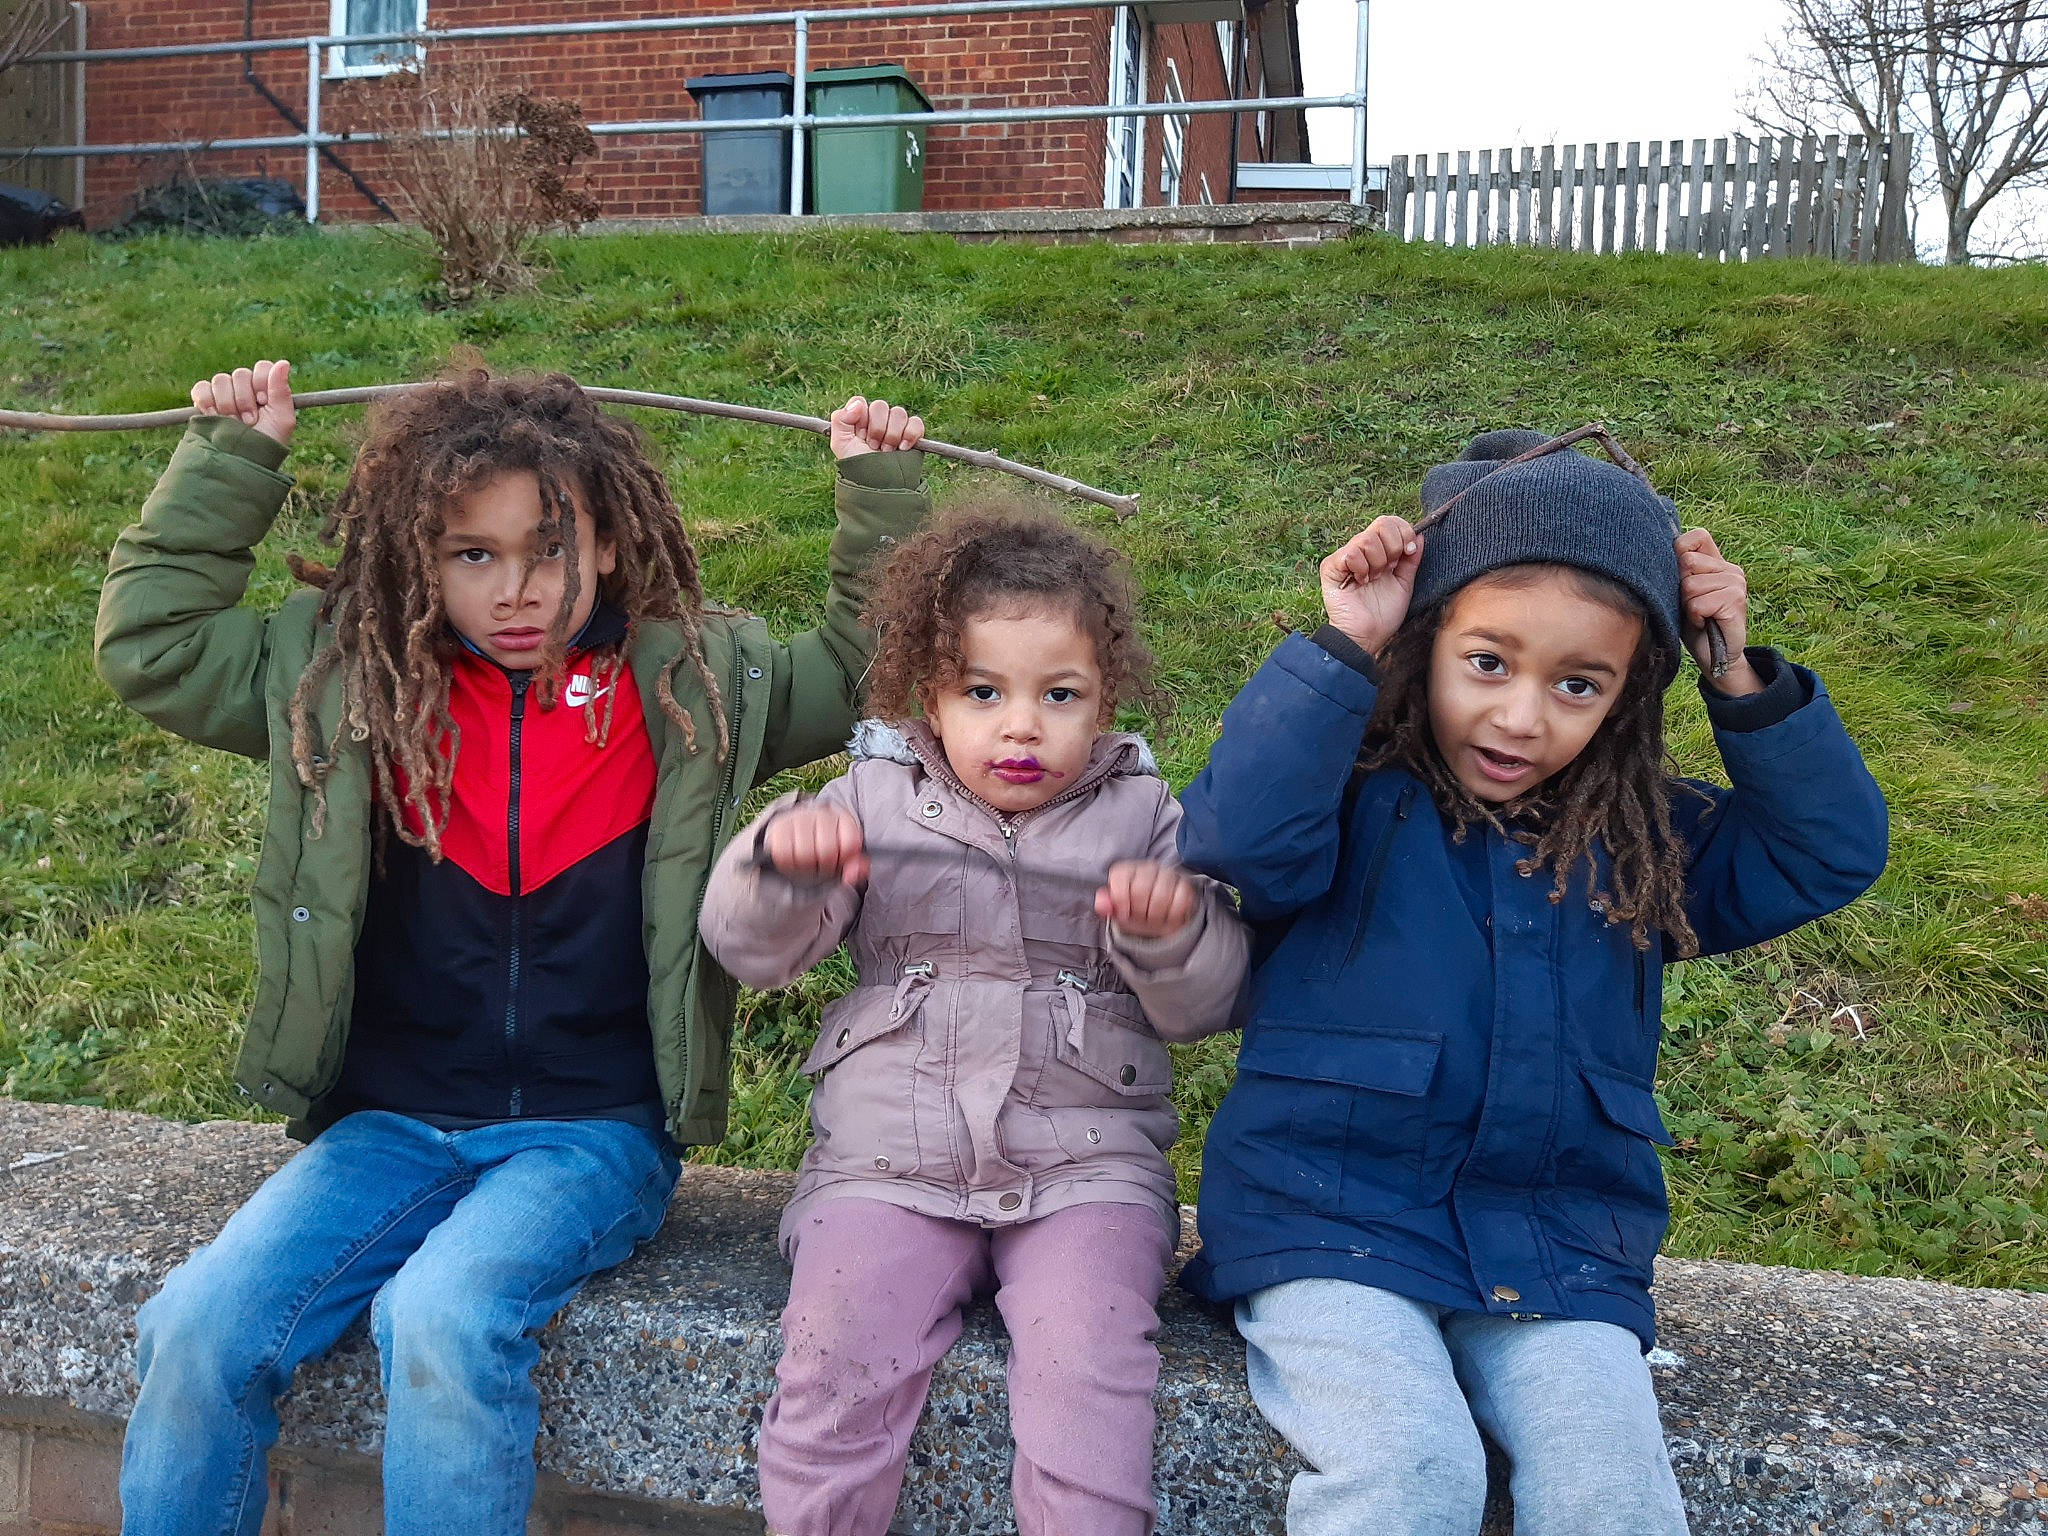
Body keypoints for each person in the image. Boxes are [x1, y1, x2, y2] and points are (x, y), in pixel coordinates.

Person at [94, 357, 931, 1536]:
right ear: (420, 557)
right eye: (471, 555)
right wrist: (233, 459)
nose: (516, 591)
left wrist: (878, 489)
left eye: (548, 549)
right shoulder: (348, 678)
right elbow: (156, 644)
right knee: (198, 1326)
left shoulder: (694, 685)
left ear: (608, 543)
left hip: (589, 1132)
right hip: (385, 1124)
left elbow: (863, 669)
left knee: (441, 1316)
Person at [1175, 429, 1889, 1536]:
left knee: (1613, 1497)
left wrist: (1737, 674)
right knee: (1410, 1471)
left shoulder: (1642, 840)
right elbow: (1239, 837)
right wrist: (1344, 645)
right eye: (1487, 663)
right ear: (1425, 644)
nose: (1521, 716)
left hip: (1559, 1254)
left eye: (1577, 683)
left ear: (1627, 696)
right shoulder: (1347, 788)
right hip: (1331, 1228)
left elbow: (1825, 851)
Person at [699, 503, 1250, 1536]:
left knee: (1089, 1371)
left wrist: (1174, 930)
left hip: (1086, 1169)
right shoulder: (868, 799)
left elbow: (1204, 1007)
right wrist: (779, 870)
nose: (1021, 725)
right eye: (983, 692)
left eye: (1059, 694)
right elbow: (753, 952)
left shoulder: (1148, 819)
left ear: (1105, 699)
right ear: (930, 697)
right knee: (832, 1362)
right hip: (886, 1162)